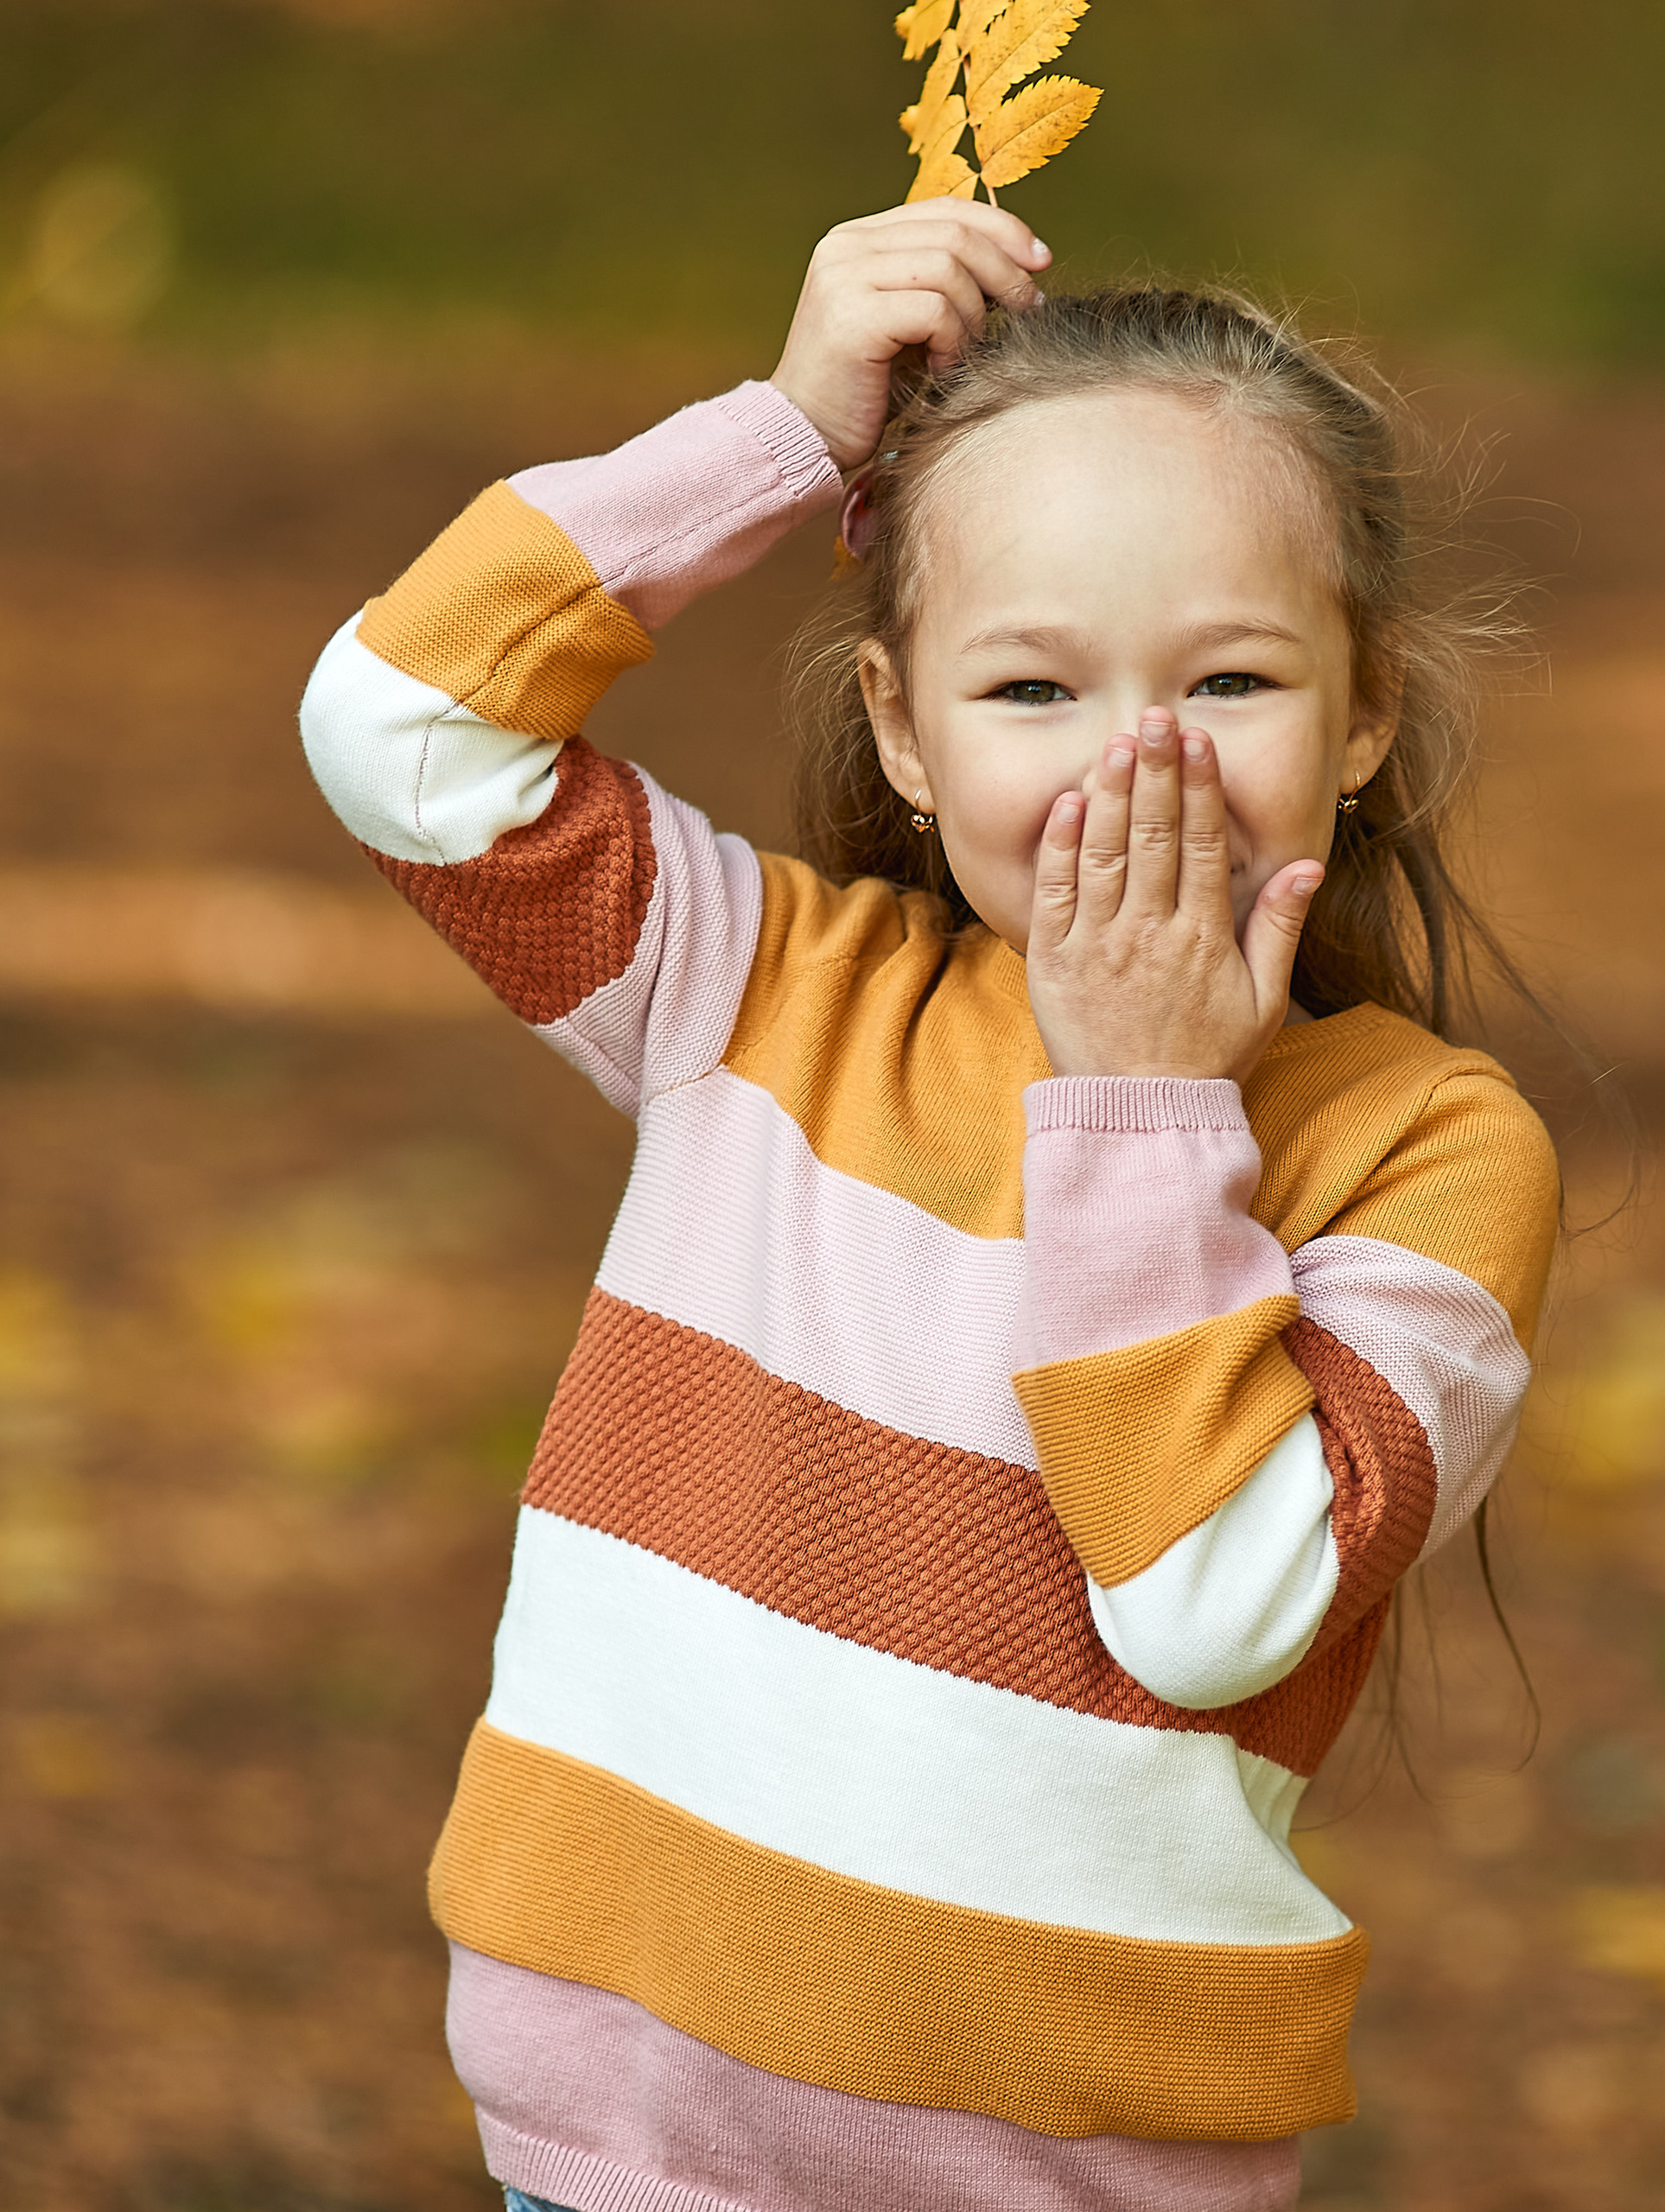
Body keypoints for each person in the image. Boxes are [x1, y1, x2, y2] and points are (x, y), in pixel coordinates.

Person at [298, 197, 1559, 2212]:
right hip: (613, 2147)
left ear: (1364, 716)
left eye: (1227, 677)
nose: (1132, 758)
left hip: (1060, 2170)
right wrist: (784, 435)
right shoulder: (762, 990)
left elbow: (1212, 1607)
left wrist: (1141, 1096)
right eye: (1029, 689)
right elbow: (400, 728)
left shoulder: (1424, 1145)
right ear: (900, 726)